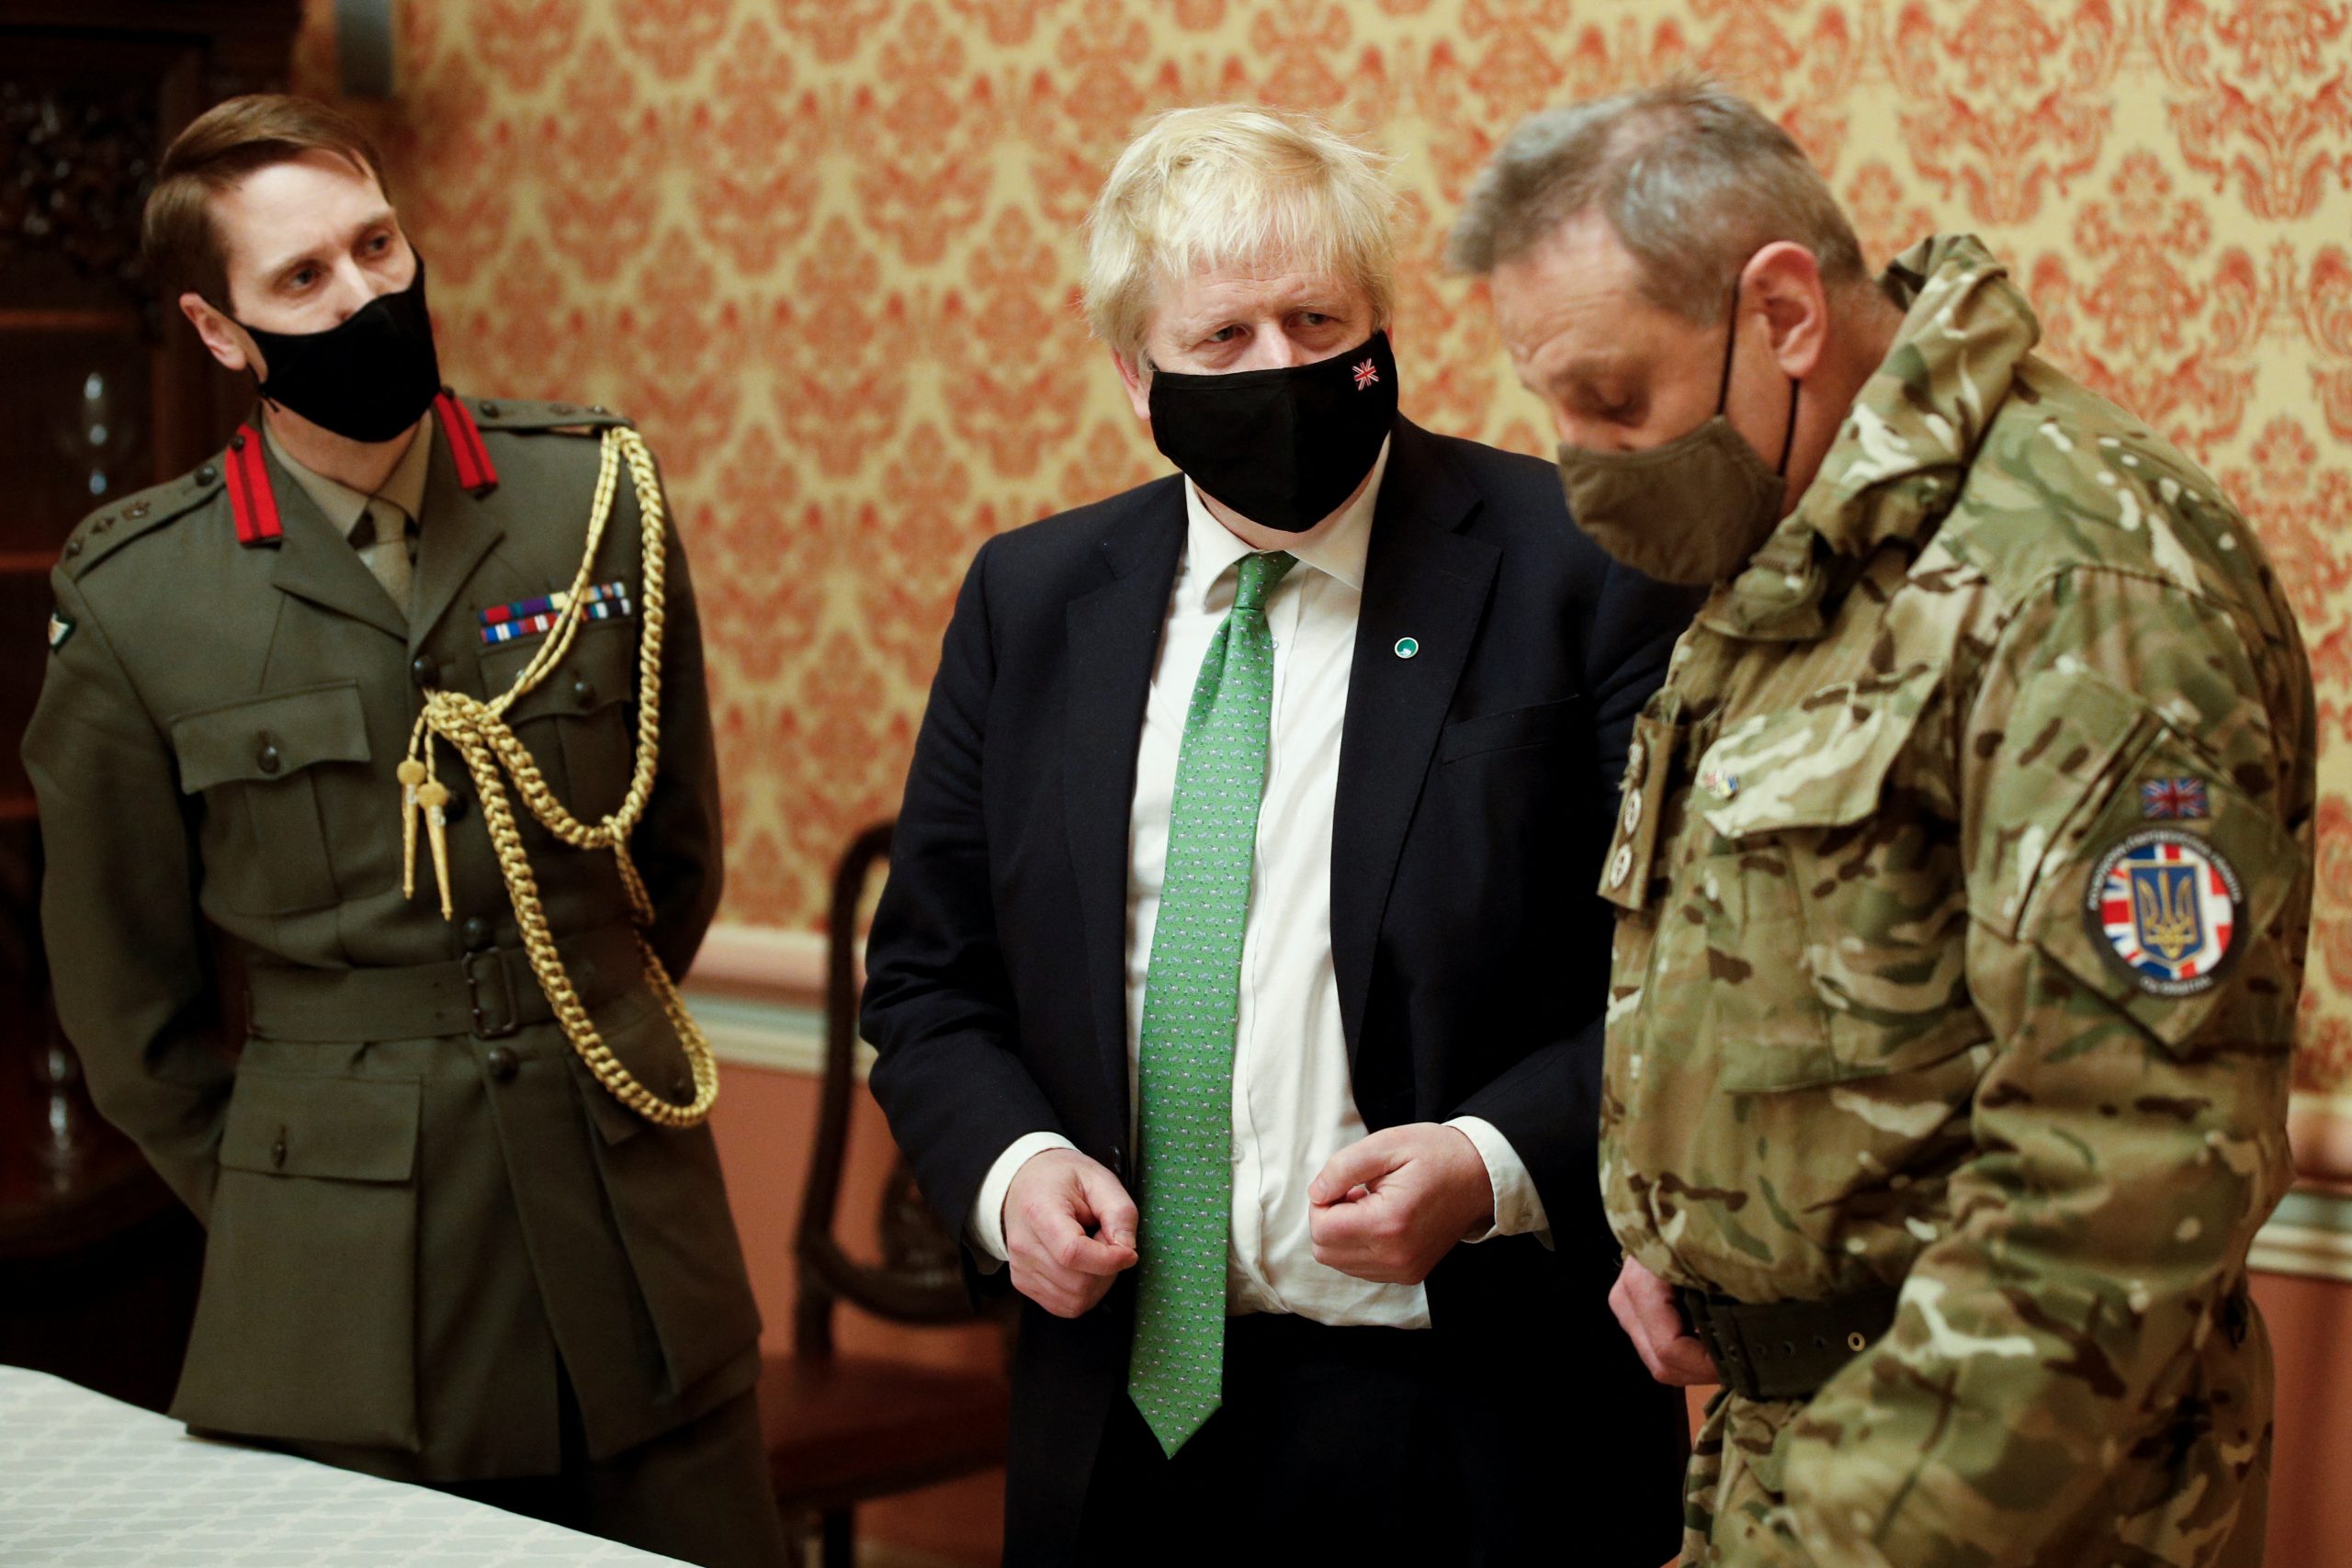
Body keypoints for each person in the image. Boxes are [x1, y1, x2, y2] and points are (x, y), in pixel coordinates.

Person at [1448, 78, 2314, 1568]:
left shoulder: (2075, 582)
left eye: (1615, 398)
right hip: (1788, 1438)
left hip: (2001, 1490)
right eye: (1556, 408)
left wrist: (1853, 1533)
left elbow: (2123, 1172)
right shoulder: (1799, 558)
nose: (1581, 460)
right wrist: (1689, 1247)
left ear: (1783, 314)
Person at [860, 103, 1697, 1567]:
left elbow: (1689, 980)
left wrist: (1490, 1160)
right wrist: (1010, 1173)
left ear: (1382, 328)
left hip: (1476, 1422)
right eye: (1223, 336)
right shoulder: (1030, 601)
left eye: (1319, 321)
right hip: (1120, 1416)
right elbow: (931, 981)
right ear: (1138, 377)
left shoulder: (1585, 563)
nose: (1281, 368)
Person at [22, 95, 787, 1568]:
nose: (362, 295)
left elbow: (670, 860)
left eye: (377, 245)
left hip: (636, 1257)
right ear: (220, 331)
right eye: (302, 276)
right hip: (344, 1303)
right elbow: (125, 1007)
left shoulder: (591, 495)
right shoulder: (139, 599)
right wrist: (297, 1184)